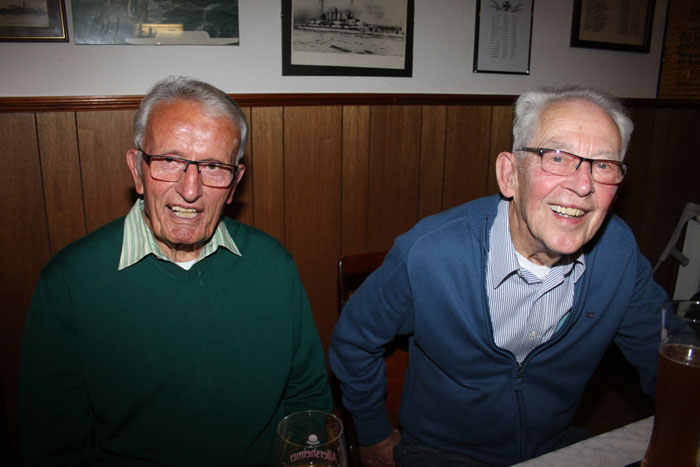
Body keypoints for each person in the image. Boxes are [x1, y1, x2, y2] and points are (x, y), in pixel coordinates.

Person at [329, 85, 668, 467]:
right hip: (441, 453)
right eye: (557, 157)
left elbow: (667, 354)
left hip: (555, 445)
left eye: (603, 165)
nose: (583, 184)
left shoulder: (618, 254)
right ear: (510, 175)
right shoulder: (430, 253)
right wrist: (373, 434)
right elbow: (354, 341)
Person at [18, 76, 331, 466]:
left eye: (213, 166)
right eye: (170, 161)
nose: (190, 189)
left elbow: (307, 400)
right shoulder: (69, 283)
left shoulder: (274, 266)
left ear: (234, 183)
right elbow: (53, 445)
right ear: (137, 170)